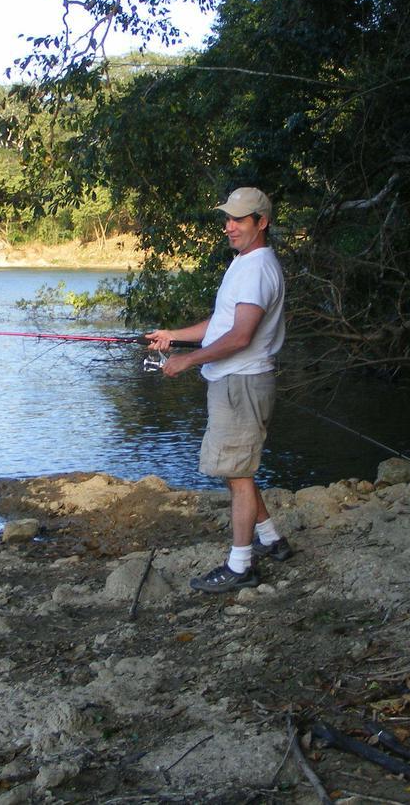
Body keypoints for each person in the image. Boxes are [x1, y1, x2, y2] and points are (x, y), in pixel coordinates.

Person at [145, 187, 291, 593]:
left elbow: (241, 336)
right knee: (235, 469)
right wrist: (175, 336)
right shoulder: (243, 264)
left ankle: (240, 565)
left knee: (238, 475)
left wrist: (189, 360)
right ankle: (271, 540)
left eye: (239, 220)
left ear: (261, 223)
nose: (229, 226)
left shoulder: (260, 269)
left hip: (241, 383)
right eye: (227, 219)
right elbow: (221, 323)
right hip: (233, 382)